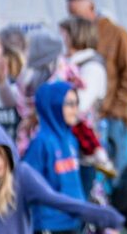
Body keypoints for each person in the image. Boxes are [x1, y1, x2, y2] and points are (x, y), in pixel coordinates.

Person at [0, 123, 123, 233]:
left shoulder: (20, 176)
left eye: (0, 153)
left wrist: (106, 216)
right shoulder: (41, 143)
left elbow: (58, 201)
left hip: (62, 224)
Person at [66, 0, 127, 170]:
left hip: (111, 119)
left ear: (91, 8)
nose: (73, 20)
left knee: (114, 176)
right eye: (70, 15)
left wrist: (114, 109)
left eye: (76, 14)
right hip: (84, 122)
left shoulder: (117, 34)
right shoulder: (78, 39)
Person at [21, 81, 88, 233]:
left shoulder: (71, 139)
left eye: (77, 103)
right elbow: (26, 183)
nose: (75, 109)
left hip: (73, 221)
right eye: (69, 103)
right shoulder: (41, 143)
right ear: (54, 106)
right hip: (50, 225)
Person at [60, 16, 114, 194]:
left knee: (83, 193)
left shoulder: (92, 67)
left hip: (84, 147)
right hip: (69, 143)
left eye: (65, 35)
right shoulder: (68, 64)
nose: (62, 40)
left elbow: (80, 104)